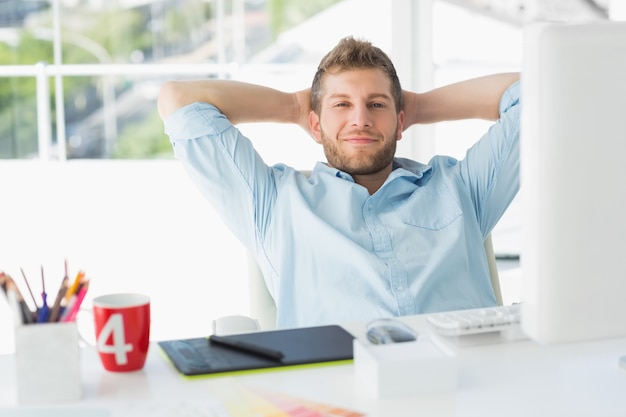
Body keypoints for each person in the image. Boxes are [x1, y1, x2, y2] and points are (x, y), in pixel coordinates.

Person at [158, 36, 520, 328]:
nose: (360, 119)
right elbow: (179, 100)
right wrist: (293, 107)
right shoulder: (273, 203)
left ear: (399, 122)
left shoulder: (462, 188)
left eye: (376, 105)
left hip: (470, 391)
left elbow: (537, 91)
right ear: (315, 125)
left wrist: (420, 106)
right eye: (341, 105)